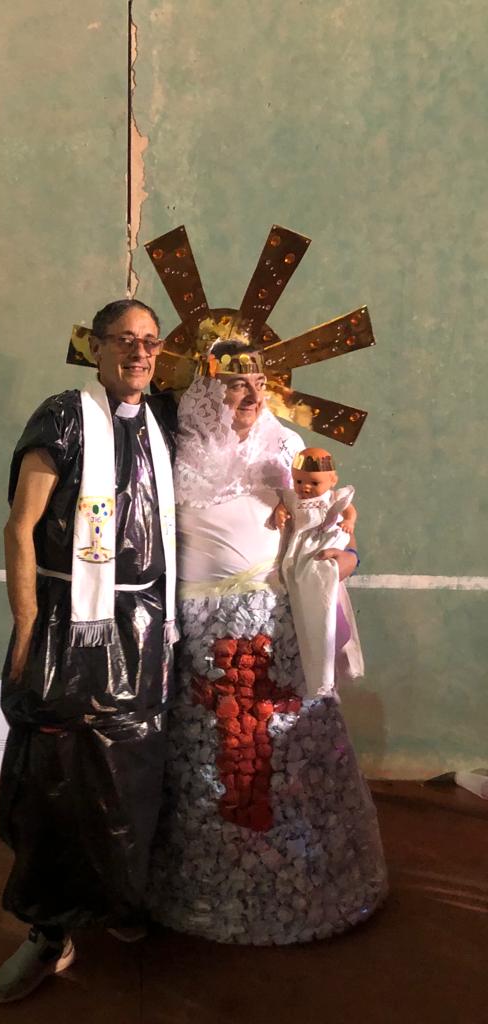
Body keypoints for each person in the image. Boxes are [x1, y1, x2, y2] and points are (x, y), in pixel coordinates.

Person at [147, 340, 387, 945]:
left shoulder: (284, 447)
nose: (252, 393)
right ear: (207, 389)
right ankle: (202, 890)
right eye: (236, 382)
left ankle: (309, 893)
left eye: (258, 381)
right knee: (207, 755)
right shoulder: (171, 451)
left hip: (278, 625)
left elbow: (322, 520)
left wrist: (346, 553)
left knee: (291, 754)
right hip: (201, 631)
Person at [0, 299, 178, 1003]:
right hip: (70, 624)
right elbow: (21, 527)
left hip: (143, 627)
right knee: (56, 782)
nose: (139, 352)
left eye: (150, 341)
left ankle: (121, 901)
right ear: (95, 347)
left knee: (131, 777)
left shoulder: (162, 424)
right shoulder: (65, 418)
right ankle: (48, 932)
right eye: (124, 339)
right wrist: (26, 623)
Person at [275, 447, 363, 698]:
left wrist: (349, 524)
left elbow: (349, 511)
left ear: (332, 479)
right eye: (299, 481)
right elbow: (285, 503)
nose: (304, 487)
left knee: (327, 611)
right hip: (298, 557)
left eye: (313, 483)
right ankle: (321, 672)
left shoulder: (333, 498)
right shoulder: (293, 497)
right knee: (309, 619)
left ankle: (333, 666)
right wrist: (281, 511)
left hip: (320, 554)